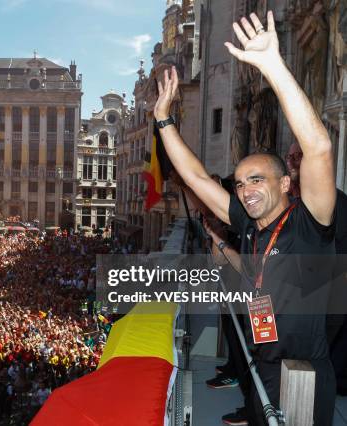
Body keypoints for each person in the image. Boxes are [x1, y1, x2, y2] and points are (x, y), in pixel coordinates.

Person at [154, 10, 337, 425]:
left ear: (288, 183)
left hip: (303, 380)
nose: (246, 190)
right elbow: (198, 178)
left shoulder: (309, 224)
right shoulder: (250, 228)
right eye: (239, 184)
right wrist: (163, 120)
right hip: (261, 369)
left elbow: (321, 149)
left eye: (257, 179)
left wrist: (273, 65)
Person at [285, 141, 347, 393]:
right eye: (289, 157)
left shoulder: (335, 202)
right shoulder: (295, 200)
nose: (292, 162)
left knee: (311, 371)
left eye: (298, 156)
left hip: (323, 305)